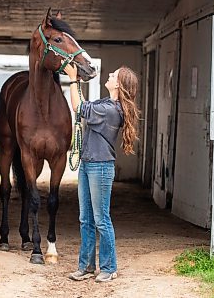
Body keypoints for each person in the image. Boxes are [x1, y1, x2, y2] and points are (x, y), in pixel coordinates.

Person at [64, 64, 140, 283]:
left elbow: (78, 108)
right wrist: (77, 81)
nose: (109, 75)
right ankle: (86, 266)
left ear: (118, 84)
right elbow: (83, 105)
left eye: (113, 75)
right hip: (88, 165)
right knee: (85, 219)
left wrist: (72, 79)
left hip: (100, 167)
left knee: (101, 220)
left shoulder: (111, 111)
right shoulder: (104, 104)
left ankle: (109, 267)